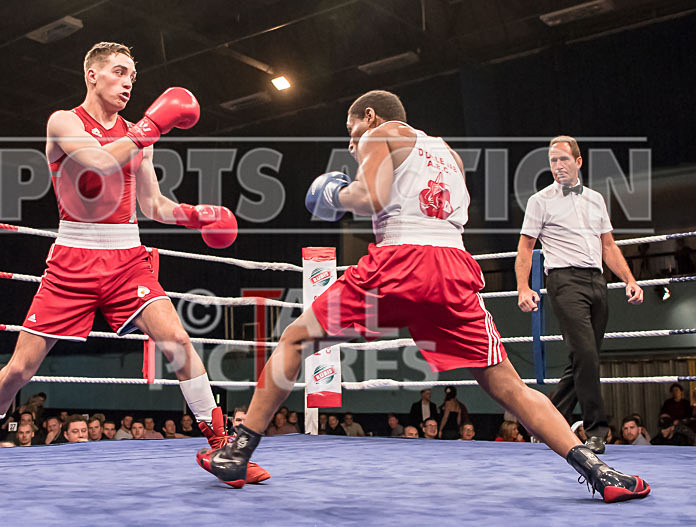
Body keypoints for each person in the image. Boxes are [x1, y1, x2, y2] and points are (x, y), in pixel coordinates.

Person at [197, 90, 650, 503]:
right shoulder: (446, 152)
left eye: (351, 129)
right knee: (509, 387)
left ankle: (237, 452)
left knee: (296, 340)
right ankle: (599, 472)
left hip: (399, 262)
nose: (352, 141)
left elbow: (371, 198)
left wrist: (334, 191)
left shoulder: (380, 133)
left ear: (369, 116)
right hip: (452, 268)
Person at [0, 41, 267, 485]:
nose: (127, 83)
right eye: (119, 73)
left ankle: (223, 450)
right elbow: (101, 163)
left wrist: (194, 215)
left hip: (127, 257)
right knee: (20, 369)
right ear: (92, 75)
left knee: (178, 341)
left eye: (132, 78)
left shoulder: (141, 135)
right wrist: (151, 125)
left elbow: (153, 204)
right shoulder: (64, 121)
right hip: (73, 258)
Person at [516, 135, 644, 455]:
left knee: (582, 360)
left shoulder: (596, 200)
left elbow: (609, 246)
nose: (557, 165)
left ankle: (547, 423)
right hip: (564, 282)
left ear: (578, 162)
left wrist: (629, 279)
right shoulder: (540, 201)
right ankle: (596, 429)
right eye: (552, 160)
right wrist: (522, 287)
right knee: (586, 355)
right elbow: (525, 248)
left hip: (597, 282)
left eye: (562, 159)